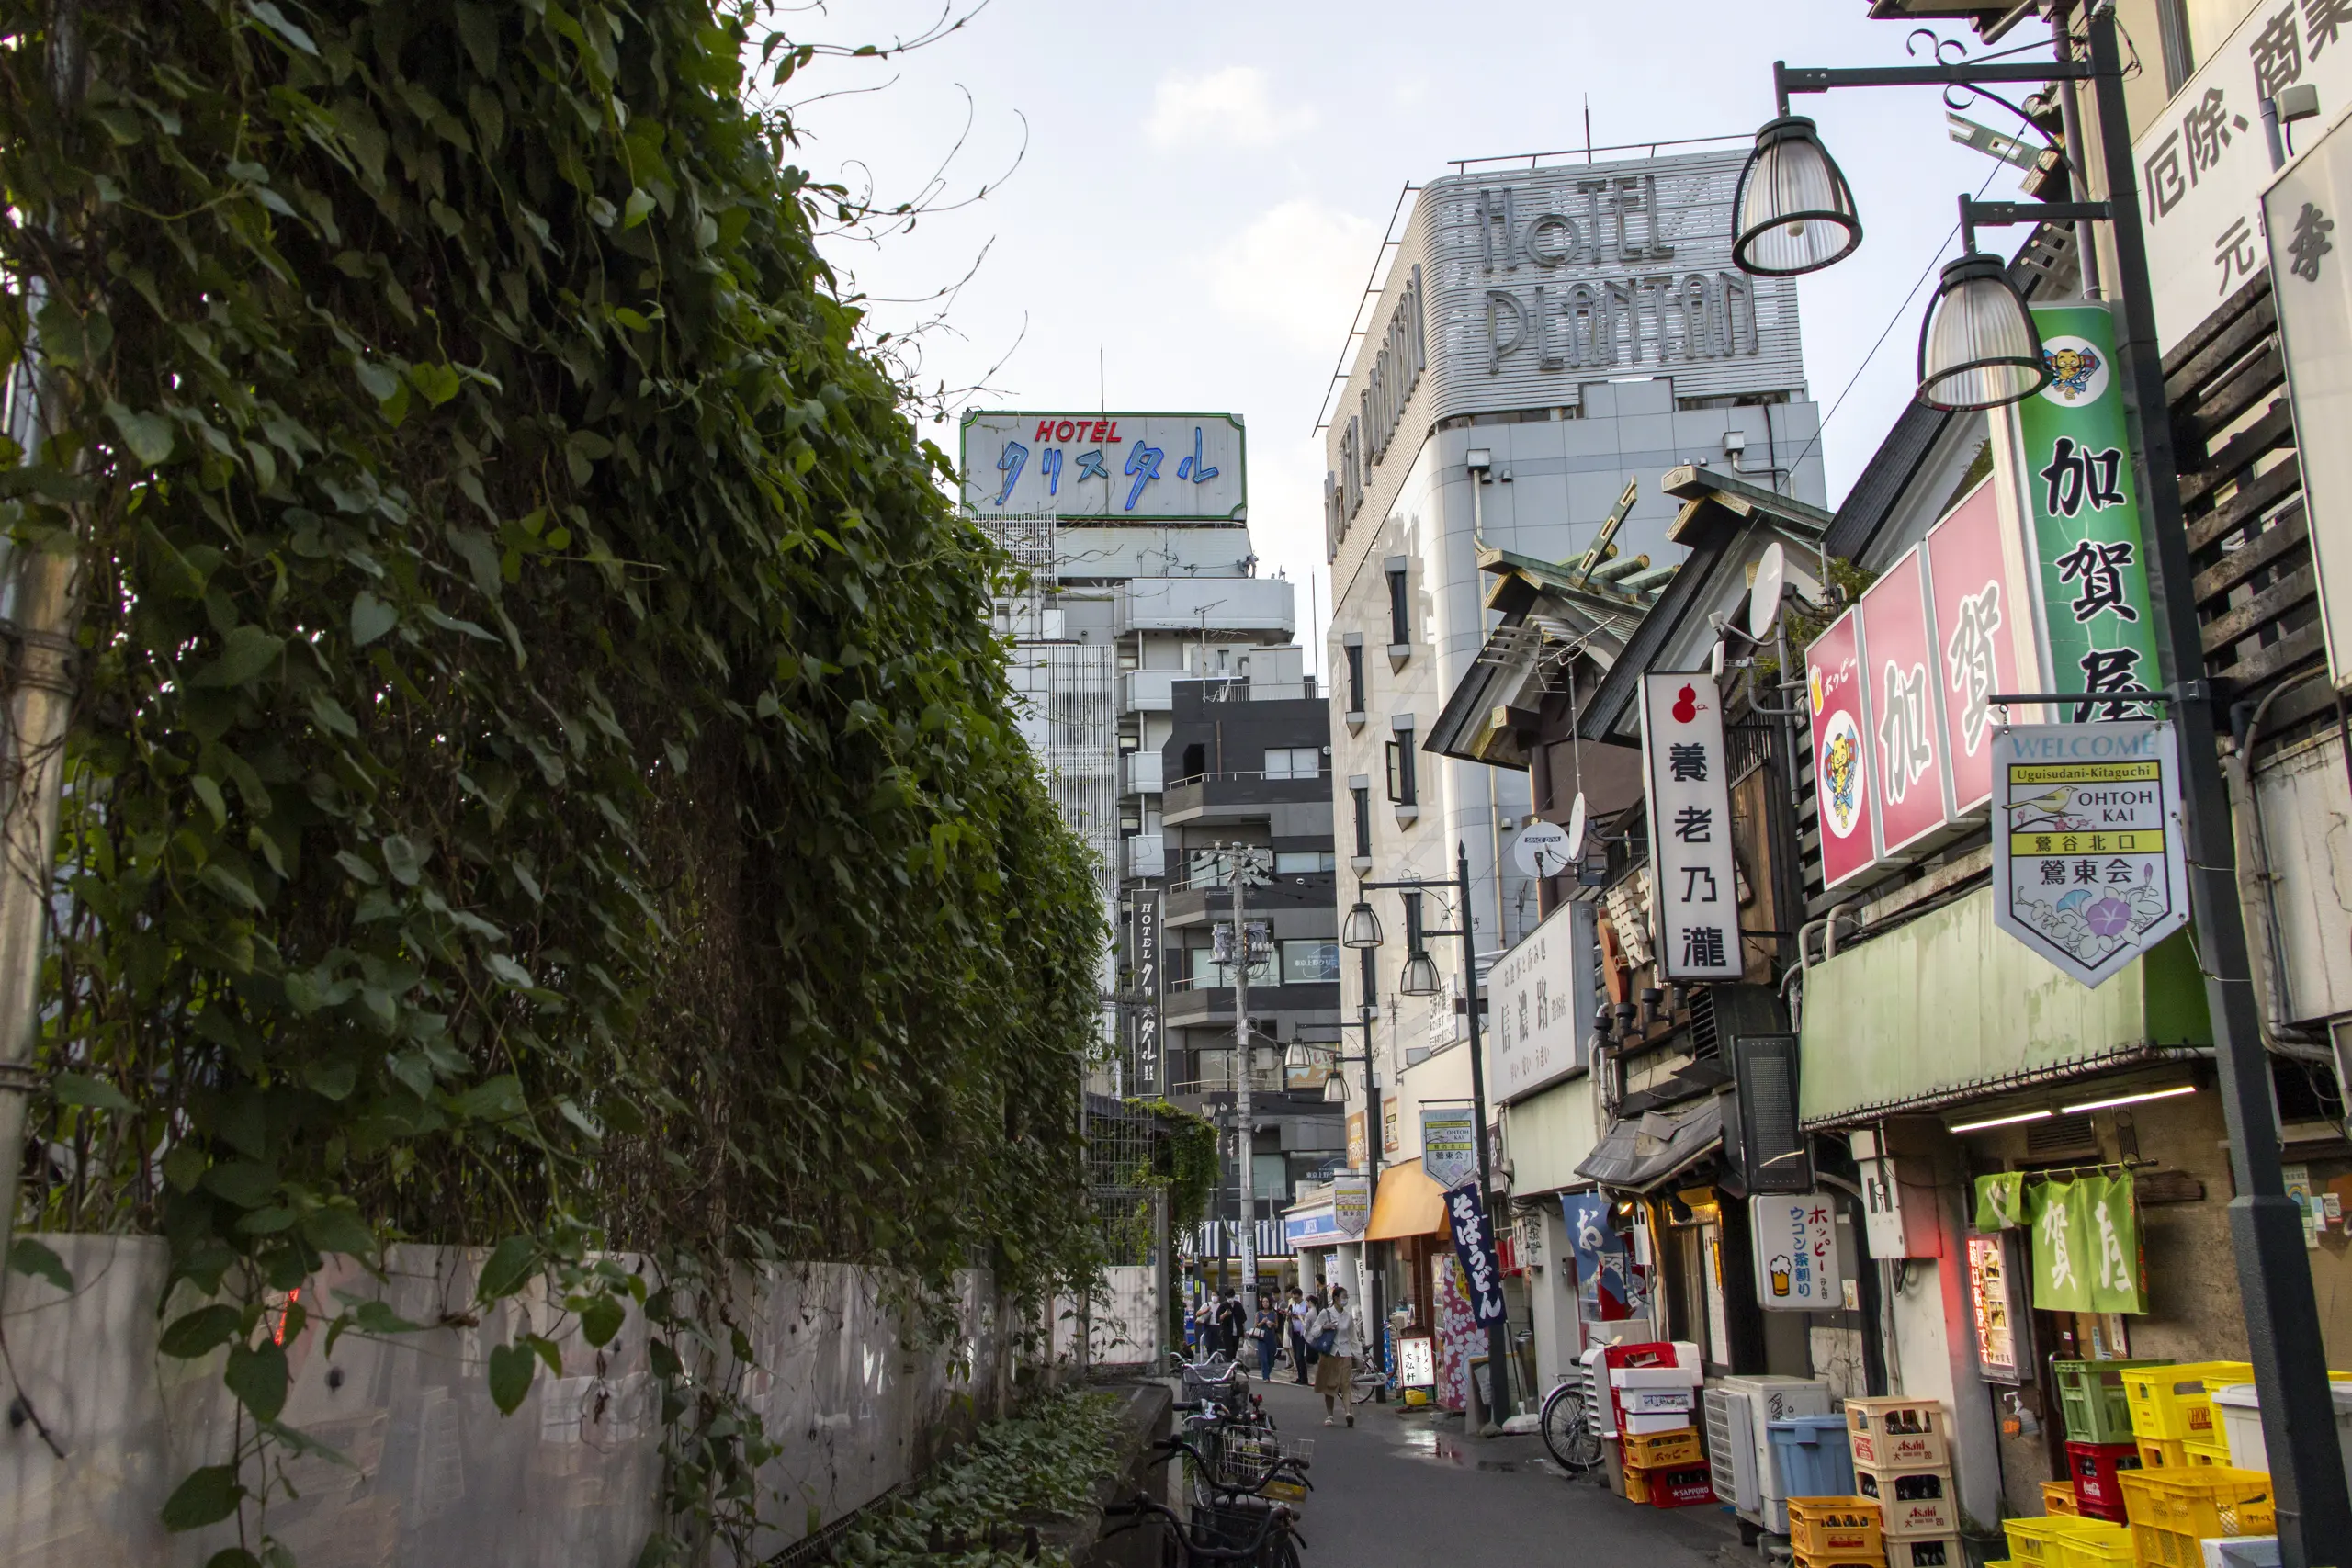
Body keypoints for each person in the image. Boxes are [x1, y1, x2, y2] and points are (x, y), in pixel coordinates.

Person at [1310, 1285, 1361, 1427]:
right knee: (1329, 1386)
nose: (1346, 1299)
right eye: (1344, 1297)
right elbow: (1313, 1331)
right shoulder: (1325, 1313)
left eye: (1347, 1297)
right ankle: (1330, 1415)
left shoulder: (1348, 1316)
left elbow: (1353, 1337)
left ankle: (1348, 1413)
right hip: (1329, 1354)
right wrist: (1324, 1327)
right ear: (1336, 1298)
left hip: (1345, 1353)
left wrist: (1358, 1354)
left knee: (1346, 1384)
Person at [1286, 1287, 1315, 1384]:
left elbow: (1307, 1318)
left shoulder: (1305, 1306)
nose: (1295, 1300)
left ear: (1301, 1296)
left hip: (1302, 1333)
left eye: (1297, 1298)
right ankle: (1300, 1376)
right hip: (1294, 1331)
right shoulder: (1293, 1305)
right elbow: (1290, 1317)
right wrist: (1289, 1316)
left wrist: (1298, 1316)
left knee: (1300, 1356)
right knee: (1296, 1356)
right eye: (1293, 1298)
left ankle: (1304, 1378)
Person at [1251, 1292, 1283, 1380]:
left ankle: (1268, 1372)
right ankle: (1265, 1377)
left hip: (1271, 1338)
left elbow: (1277, 1326)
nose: (1265, 1303)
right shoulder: (1258, 1313)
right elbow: (1255, 1326)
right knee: (1264, 1359)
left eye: (1267, 1301)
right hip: (1261, 1339)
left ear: (1269, 1303)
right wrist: (1262, 1322)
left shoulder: (1273, 1314)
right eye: (1263, 1301)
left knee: (1271, 1360)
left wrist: (1272, 1324)